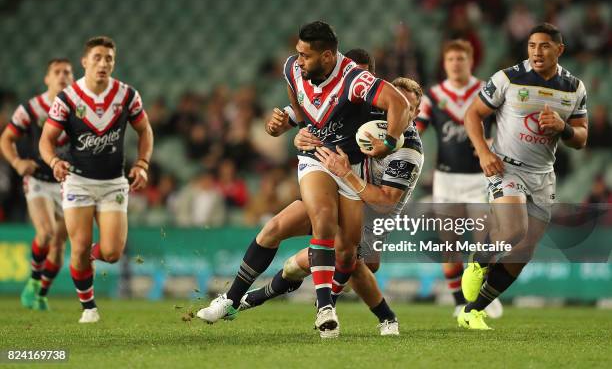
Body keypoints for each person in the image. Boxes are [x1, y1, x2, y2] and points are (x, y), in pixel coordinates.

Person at [197, 51, 415, 337]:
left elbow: (386, 202)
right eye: (351, 77)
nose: (355, 87)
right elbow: (293, 118)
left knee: (339, 261)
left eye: (362, 80)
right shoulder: (335, 97)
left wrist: (351, 169)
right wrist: (288, 129)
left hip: (370, 210)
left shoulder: (406, 143)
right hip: (331, 189)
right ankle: (233, 299)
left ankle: (379, 316)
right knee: (276, 229)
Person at [460, 23, 588, 330]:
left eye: (544, 46)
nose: (537, 52)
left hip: (543, 174)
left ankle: (473, 311)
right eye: (532, 46)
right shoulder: (507, 78)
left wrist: (563, 127)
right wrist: (484, 151)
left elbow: (581, 138)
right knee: (514, 230)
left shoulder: (574, 88)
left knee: (525, 249)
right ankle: (478, 261)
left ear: (560, 50)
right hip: (506, 167)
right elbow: (472, 114)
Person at [39, 36, 154, 323]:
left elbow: (145, 131)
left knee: (113, 253)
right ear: (85, 62)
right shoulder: (67, 99)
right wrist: (54, 161)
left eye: (109, 59)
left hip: (113, 182)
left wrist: (142, 164)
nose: (103, 63)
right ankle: (89, 307)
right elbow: (46, 140)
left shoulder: (127, 95)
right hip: (77, 180)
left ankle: (86, 258)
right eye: (98, 57)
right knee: (77, 246)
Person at [415, 40, 501, 318]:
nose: (455, 63)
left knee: (483, 245)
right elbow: (416, 129)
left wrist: (494, 143)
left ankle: (484, 297)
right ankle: (458, 303)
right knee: (449, 245)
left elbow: (505, 124)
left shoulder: (486, 90)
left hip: (479, 177)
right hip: (446, 178)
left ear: (471, 60)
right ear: (444, 62)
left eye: (460, 58)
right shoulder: (434, 95)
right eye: (450, 58)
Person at [0, 58, 73, 311]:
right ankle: (32, 281)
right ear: (47, 78)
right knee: (46, 233)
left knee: (60, 243)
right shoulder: (31, 109)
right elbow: (6, 138)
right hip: (39, 180)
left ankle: (41, 293)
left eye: (67, 72)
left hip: (67, 182)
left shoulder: (78, 108)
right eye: (57, 72)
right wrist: (17, 162)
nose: (62, 76)